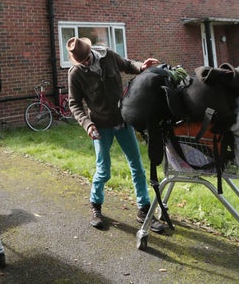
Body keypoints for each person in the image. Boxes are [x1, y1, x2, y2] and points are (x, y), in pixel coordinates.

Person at [66, 37, 166, 232]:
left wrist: (141, 66)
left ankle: (144, 209)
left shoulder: (108, 56)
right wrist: (87, 124)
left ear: (90, 52)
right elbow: (74, 104)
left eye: (87, 58)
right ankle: (95, 205)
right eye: (81, 62)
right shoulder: (76, 74)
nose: (85, 63)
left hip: (122, 120)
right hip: (100, 126)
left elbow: (128, 65)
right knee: (103, 170)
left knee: (137, 166)